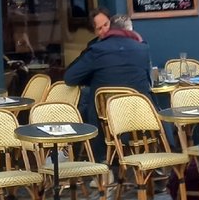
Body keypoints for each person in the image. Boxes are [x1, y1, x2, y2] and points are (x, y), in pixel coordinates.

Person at [64, 13, 153, 152]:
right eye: (99, 28)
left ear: (112, 28)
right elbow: (149, 81)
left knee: (86, 99)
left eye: (106, 25)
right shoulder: (142, 48)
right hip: (140, 118)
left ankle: (82, 154)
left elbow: (70, 78)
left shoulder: (98, 50)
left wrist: (93, 77)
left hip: (106, 121)